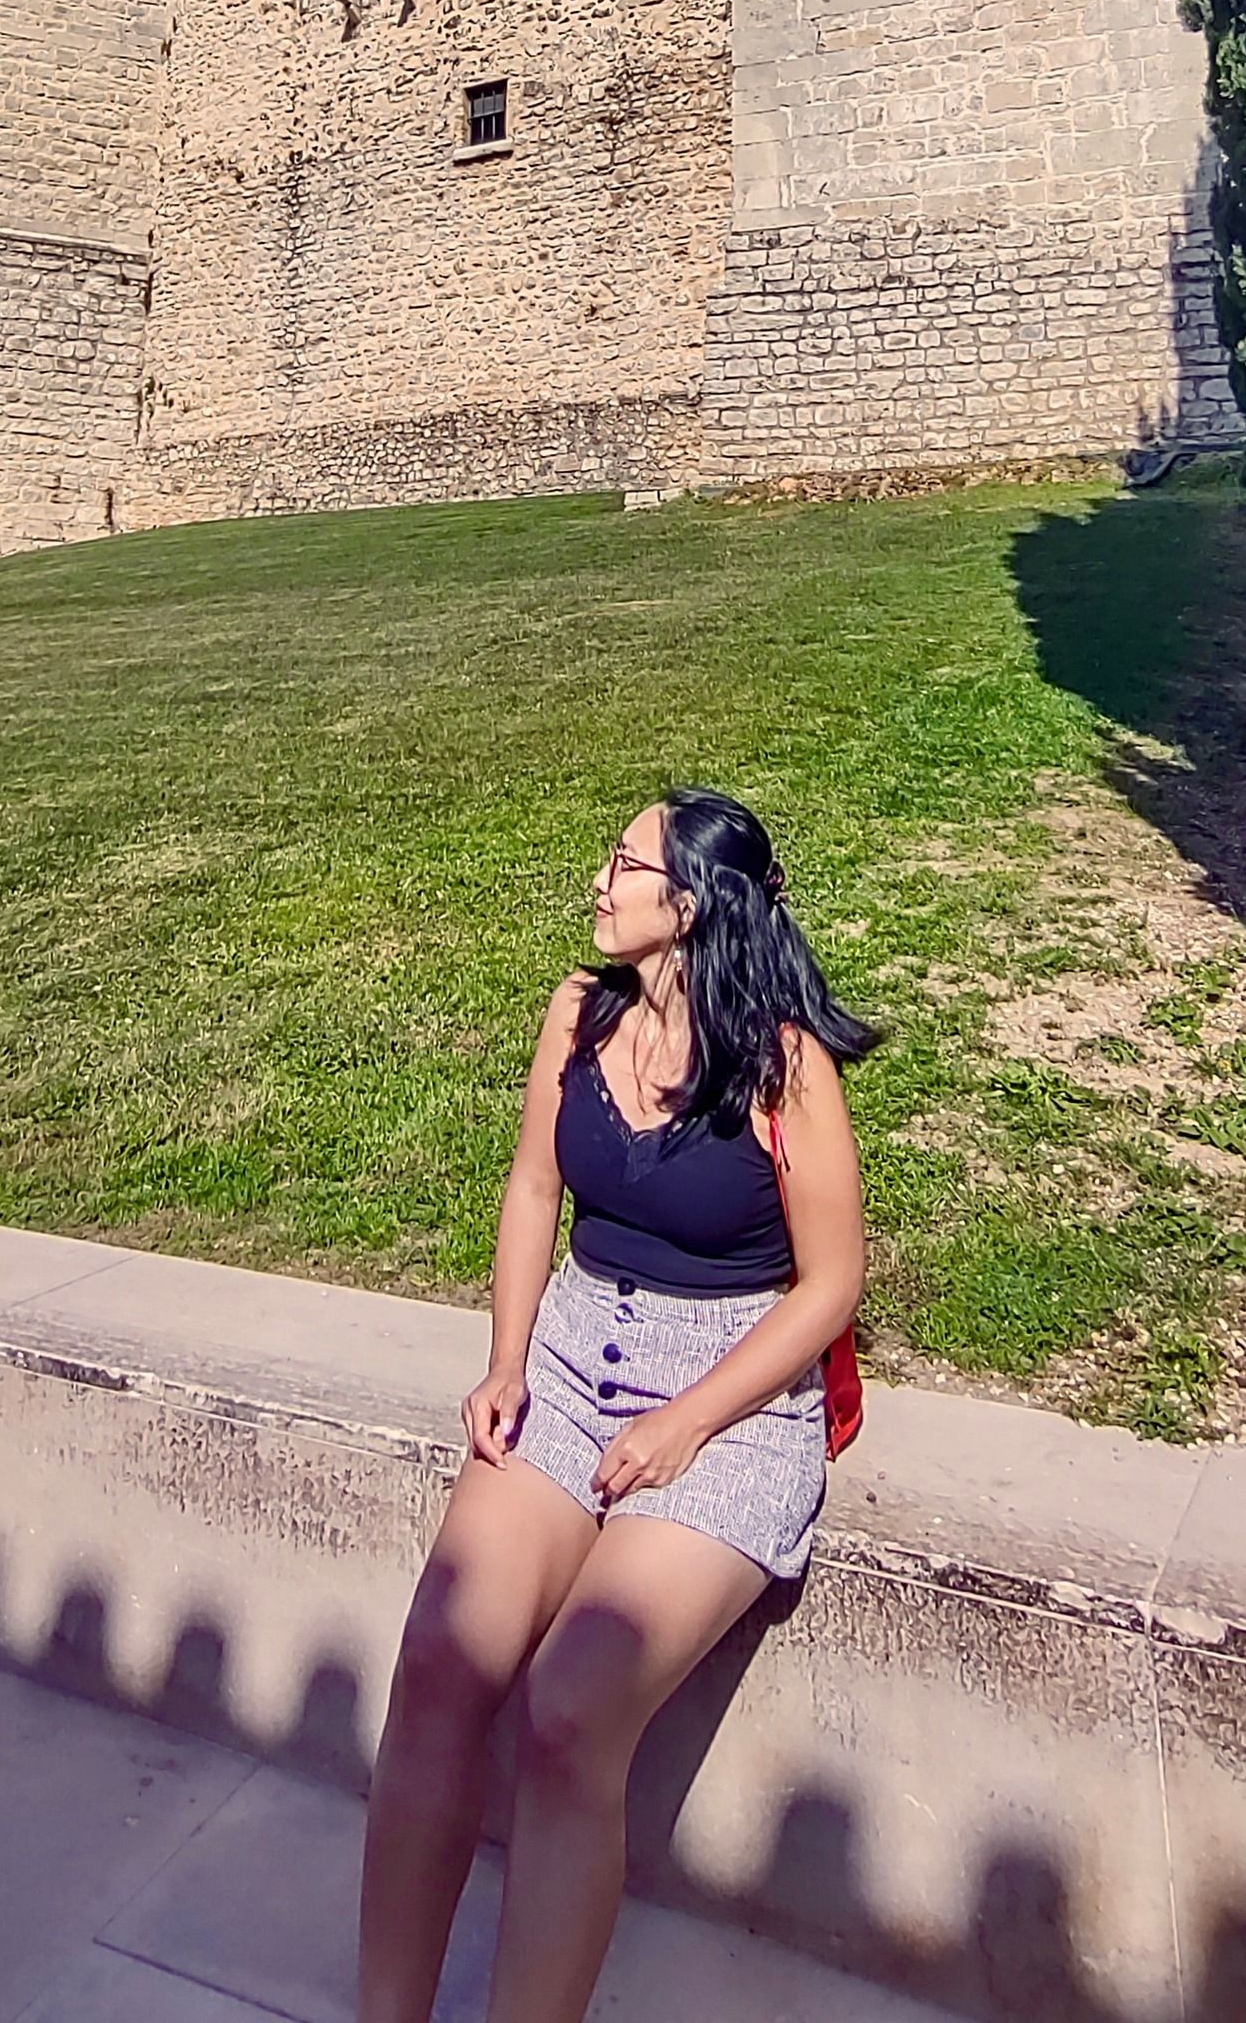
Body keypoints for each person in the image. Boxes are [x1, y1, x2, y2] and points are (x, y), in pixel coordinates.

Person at [357, 786, 877, 2023]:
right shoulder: (578, 1015)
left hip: (731, 1398)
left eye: (622, 862)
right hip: (570, 1357)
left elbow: (831, 1283)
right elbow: (533, 1189)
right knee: (437, 1662)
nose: (597, 880)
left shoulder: (782, 1064)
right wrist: (505, 1360)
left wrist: (685, 1420)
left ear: (685, 905)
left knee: (568, 1709)